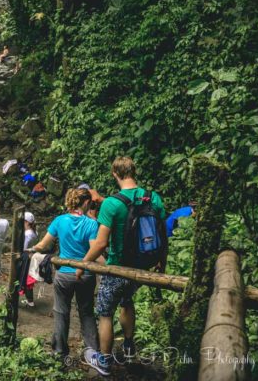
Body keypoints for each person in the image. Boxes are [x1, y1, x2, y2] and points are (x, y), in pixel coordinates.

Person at [77, 156, 166, 373]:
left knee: (105, 312)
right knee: (127, 302)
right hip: (142, 267)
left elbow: (100, 243)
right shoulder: (153, 198)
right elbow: (163, 234)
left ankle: (104, 361)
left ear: (114, 174)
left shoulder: (111, 204)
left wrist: (83, 264)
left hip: (117, 267)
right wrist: (161, 263)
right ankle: (128, 346)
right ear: (134, 172)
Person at [29, 188, 102, 373]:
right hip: (85, 274)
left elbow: (43, 244)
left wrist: (30, 249)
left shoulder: (59, 221)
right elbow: (96, 249)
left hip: (64, 274)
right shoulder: (92, 224)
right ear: (85, 203)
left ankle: (60, 352)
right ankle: (92, 351)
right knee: (86, 312)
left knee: (61, 312)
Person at [19, 212, 38, 306]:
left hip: (26, 259)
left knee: (23, 279)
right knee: (28, 281)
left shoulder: (27, 234)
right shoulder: (35, 232)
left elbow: (24, 248)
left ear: (26, 222)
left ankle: (29, 302)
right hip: (32, 258)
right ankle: (30, 301)